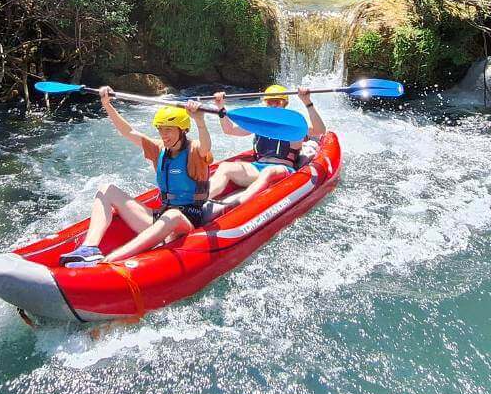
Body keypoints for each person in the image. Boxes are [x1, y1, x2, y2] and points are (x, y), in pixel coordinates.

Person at [58, 87, 214, 268]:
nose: (164, 135)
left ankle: (109, 261)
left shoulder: (195, 150)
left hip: (187, 221)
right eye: (161, 129)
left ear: (183, 130)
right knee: (106, 190)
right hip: (161, 217)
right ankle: (89, 249)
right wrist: (107, 105)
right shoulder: (158, 149)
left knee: (172, 215)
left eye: (169, 130)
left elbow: (206, 147)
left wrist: (200, 121)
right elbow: (128, 131)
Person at [207, 84, 326, 208]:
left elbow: (320, 130)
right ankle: (200, 200)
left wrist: (307, 102)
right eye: (270, 102)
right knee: (225, 167)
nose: (273, 105)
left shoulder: (293, 126)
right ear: (266, 103)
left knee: (269, 171)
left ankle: (238, 203)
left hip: (283, 170)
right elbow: (229, 129)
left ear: (285, 103)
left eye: (277, 102)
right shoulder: (260, 124)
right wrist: (220, 107)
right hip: (257, 167)